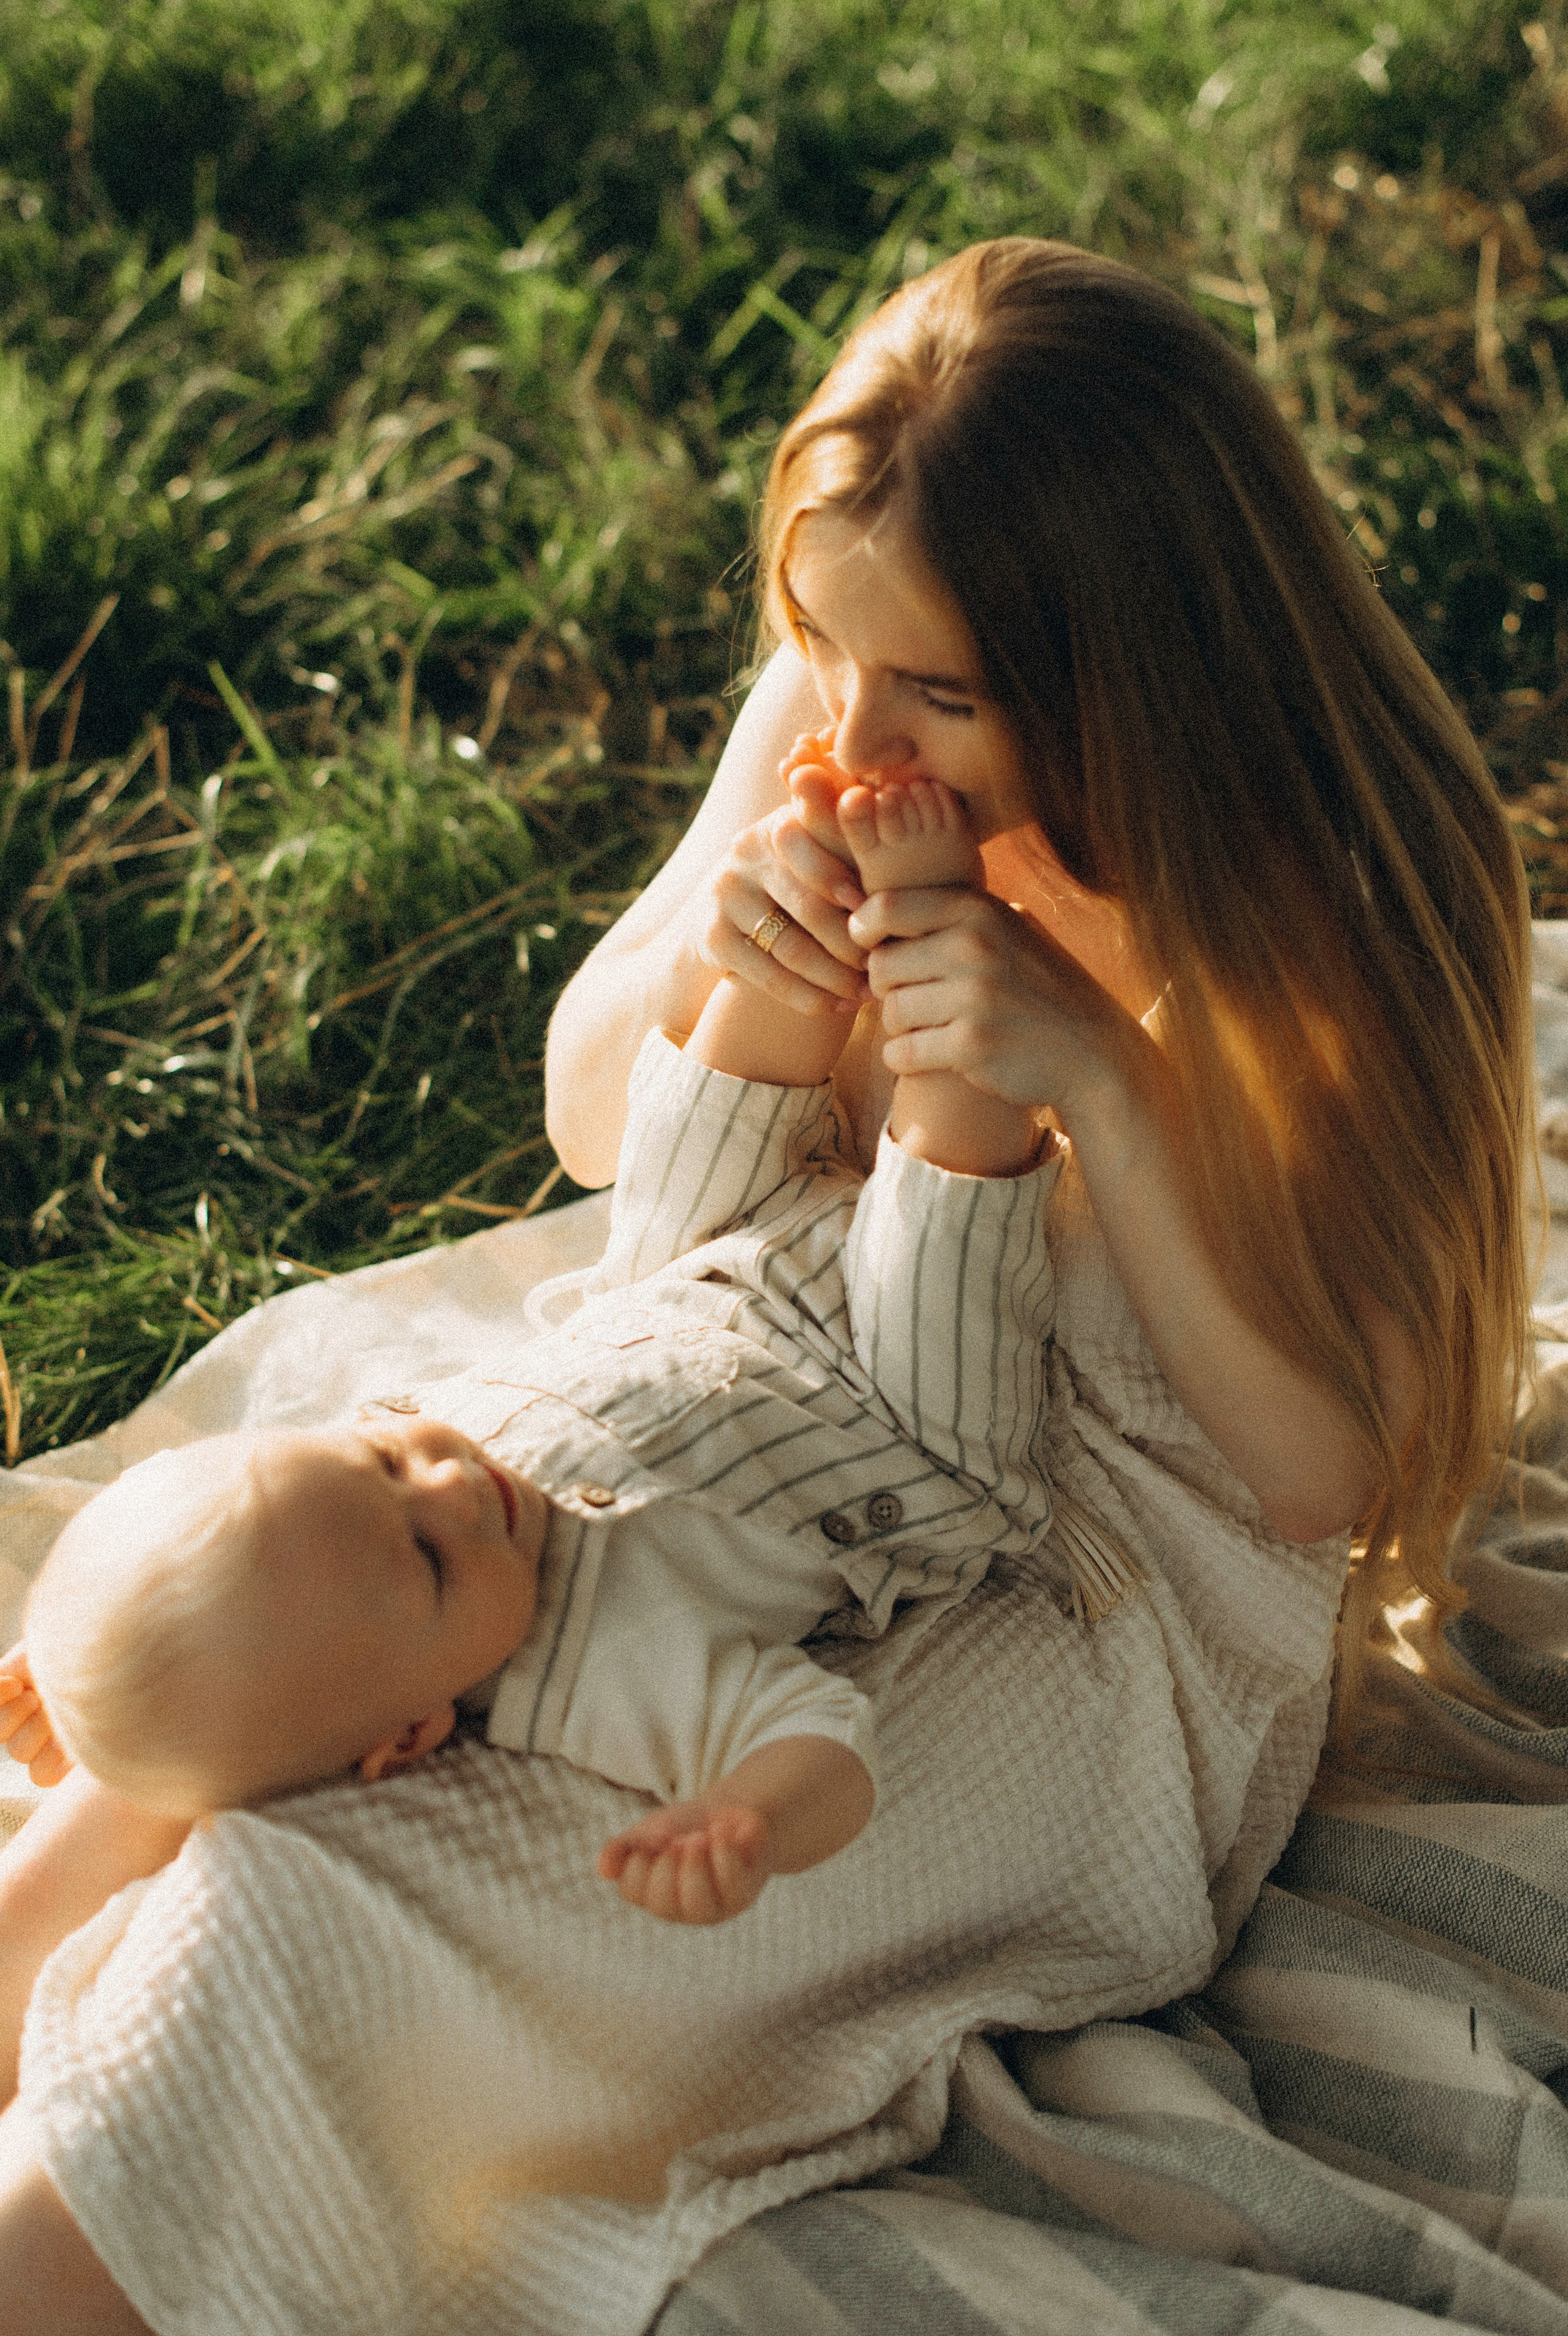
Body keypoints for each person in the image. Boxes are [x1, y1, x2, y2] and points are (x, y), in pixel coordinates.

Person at [0, 236, 1532, 2336]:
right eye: (832, 651)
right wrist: (726, 948)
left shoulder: (1317, 915)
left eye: (939, 692)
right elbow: (603, 1120)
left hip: (1073, 1606)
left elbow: (1314, 1468)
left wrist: (1104, 1077)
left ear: (1127, 677)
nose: (860, 728)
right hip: (753, 1371)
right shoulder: (834, 702)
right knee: (283, 1611)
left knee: (328, 1910)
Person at [0, 769, 1078, 1946]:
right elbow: (820, 1742)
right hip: (893, 1415)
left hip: (682, 1282)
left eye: (383, 1460)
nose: (453, 1482)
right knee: (951, 1189)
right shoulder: (602, 1674)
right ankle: (940, 932)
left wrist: (75, 1668)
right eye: (428, 1555)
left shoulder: (343, 1544)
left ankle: (815, 908)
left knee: (705, 1116)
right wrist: (750, 1819)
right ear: (410, 1737)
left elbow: (212, 1584)